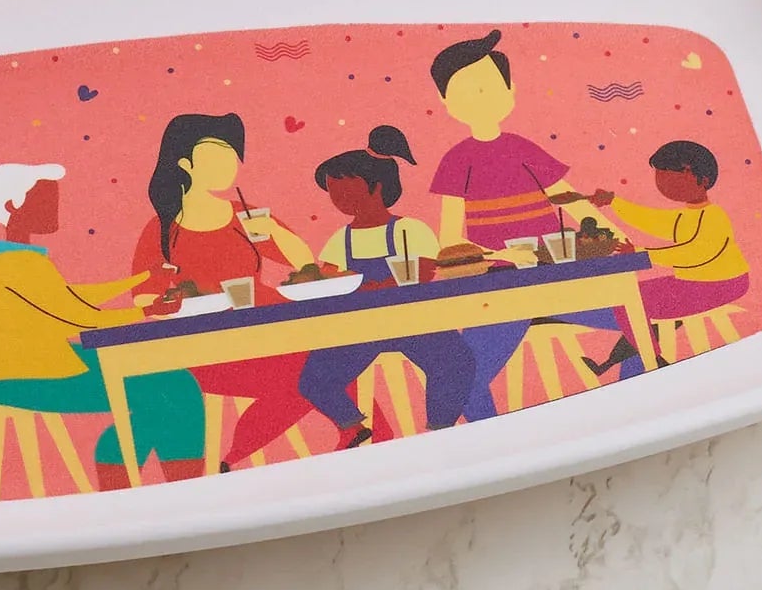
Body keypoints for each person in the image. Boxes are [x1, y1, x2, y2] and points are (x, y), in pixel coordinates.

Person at [0, 151, 206, 488]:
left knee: (165, 387)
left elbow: (71, 298)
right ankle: (167, 483)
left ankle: (124, 468)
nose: (56, 206)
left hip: (41, 368)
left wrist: (143, 279)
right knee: (174, 385)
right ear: (13, 206)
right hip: (22, 379)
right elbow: (79, 318)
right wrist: (146, 312)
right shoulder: (8, 266)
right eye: (46, 198)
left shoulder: (19, 261)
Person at [128, 113, 319, 471]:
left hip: (270, 330)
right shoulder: (163, 229)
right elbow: (142, 296)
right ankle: (237, 458)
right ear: (185, 163)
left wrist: (274, 232)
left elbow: (304, 262)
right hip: (208, 346)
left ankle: (233, 460)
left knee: (330, 361)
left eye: (232, 155)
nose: (229, 164)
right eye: (216, 154)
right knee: (319, 372)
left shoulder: (244, 215)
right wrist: (170, 301)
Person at [426, 30, 576, 420]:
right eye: (466, 92)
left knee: (642, 324)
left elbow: (572, 201)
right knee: (464, 377)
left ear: (510, 91)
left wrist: (614, 234)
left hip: (560, 278)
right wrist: (502, 255)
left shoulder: (523, 148)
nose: (479, 98)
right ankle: (494, 437)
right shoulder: (456, 160)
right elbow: (449, 242)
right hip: (503, 288)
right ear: (446, 103)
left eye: (488, 87)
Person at [293, 128, 477, 445]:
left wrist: (374, 287)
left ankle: (440, 429)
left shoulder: (410, 229)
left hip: (413, 321)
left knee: (457, 362)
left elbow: (423, 271)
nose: (339, 200)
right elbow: (328, 278)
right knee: (314, 379)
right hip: (361, 327)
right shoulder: (340, 239)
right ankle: (352, 427)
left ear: (377, 187)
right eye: (333, 194)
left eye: (346, 191)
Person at [581, 141, 752, 374]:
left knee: (628, 301)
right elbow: (650, 219)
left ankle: (652, 361)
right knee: (627, 296)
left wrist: (643, 253)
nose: (664, 185)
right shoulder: (686, 216)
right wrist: (614, 202)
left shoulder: (713, 216)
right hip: (694, 282)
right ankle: (634, 358)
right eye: (660, 178)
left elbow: (696, 253)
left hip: (722, 283)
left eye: (673, 178)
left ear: (703, 180)